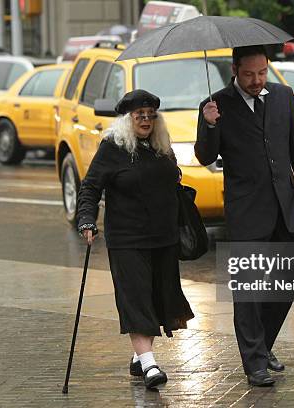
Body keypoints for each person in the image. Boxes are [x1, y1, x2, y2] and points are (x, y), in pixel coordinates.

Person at [195, 45, 294, 386]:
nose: (256, 80)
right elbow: (205, 156)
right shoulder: (215, 104)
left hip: (286, 206)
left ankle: (262, 345)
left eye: (262, 72)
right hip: (247, 210)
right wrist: (208, 125)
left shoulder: (283, 96)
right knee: (249, 290)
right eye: (249, 74)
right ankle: (254, 364)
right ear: (235, 69)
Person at [77, 89, 194, 390]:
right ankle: (150, 365)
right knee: (136, 299)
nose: (146, 120)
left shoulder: (160, 146)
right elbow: (90, 187)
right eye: (139, 115)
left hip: (163, 238)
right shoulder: (112, 148)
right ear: (127, 119)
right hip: (127, 238)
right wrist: (87, 219)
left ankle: (138, 356)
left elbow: (172, 177)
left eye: (150, 115)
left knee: (155, 299)